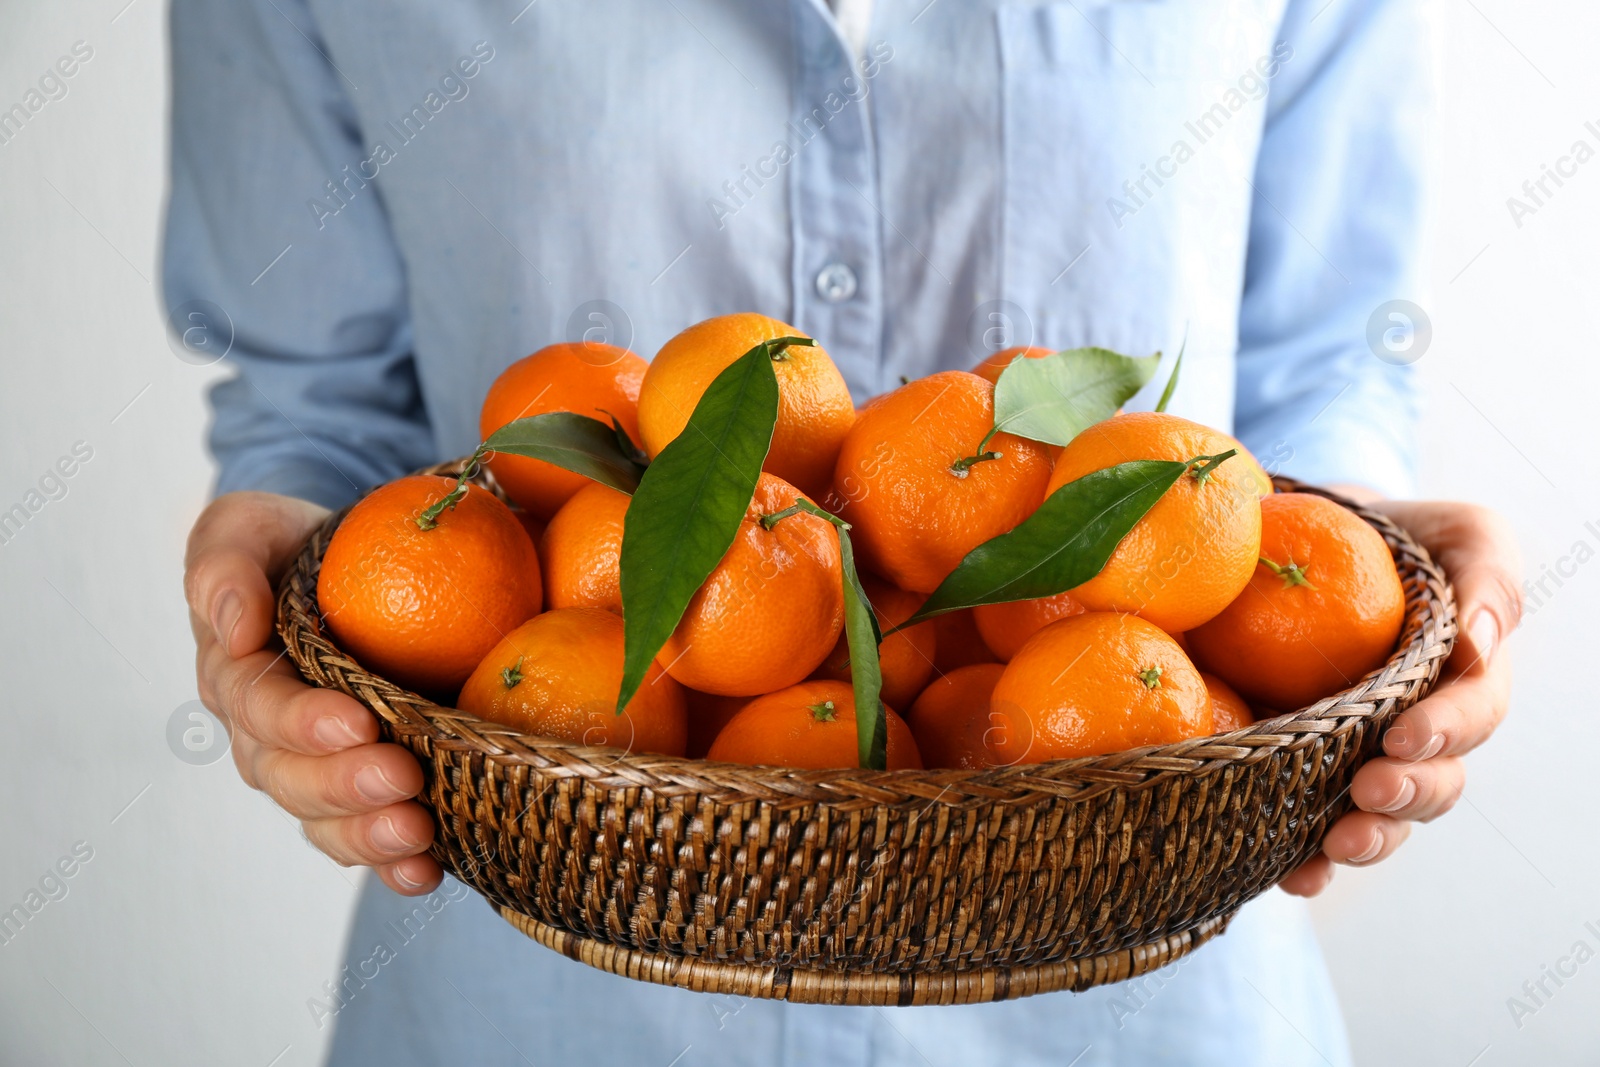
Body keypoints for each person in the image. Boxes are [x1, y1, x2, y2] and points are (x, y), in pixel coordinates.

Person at [172, 0, 1520, 1063]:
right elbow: (317, 401)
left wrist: (1363, 569)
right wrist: (283, 555)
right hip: (543, 965)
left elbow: (1326, 364)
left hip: (1149, 945)